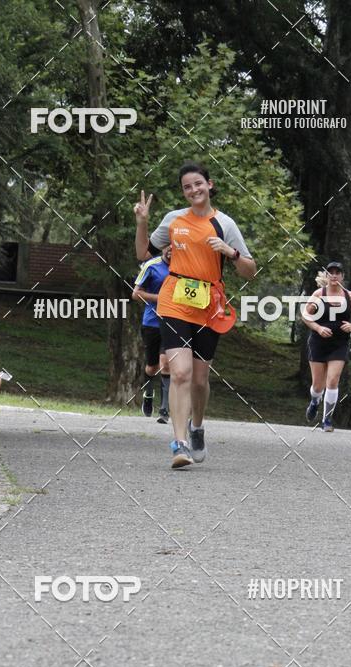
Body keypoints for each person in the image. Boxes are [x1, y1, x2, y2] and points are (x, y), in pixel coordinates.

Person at [134, 163, 256, 468]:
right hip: (174, 301)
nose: (193, 190)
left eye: (198, 184)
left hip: (208, 306)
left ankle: (197, 426)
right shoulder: (173, 220)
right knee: (180, 373)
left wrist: (231, 253)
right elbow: (143, 254)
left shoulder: (224, 224)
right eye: (187, 187)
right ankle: (180, 443)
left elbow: (250, 271)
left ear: (210, 185)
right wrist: (142, 223)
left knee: (200, 380)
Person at [302, 262, 351, 432]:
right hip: (318, 343)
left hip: (339, 344)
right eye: (331, 273)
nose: (334, 275)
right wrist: (318, 328)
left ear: (342, 276)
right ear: (327, 276)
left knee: (333, 380)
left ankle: (326, 420)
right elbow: (306, 316)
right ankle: (315, 401)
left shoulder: (350, 296)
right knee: (318, 386)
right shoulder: (319, 294)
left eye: (338, 273)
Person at [132, 245, 172, 424]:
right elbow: (136, 293)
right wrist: (159, 298)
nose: (171, 249)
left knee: (166, 364)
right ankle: (148, 393)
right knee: (152, 367)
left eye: (175, 246)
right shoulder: (151, 265)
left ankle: (164, 409)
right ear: (163, 248)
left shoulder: (184, 266)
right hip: (151, 322)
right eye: (168, 246)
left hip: (173, 322)